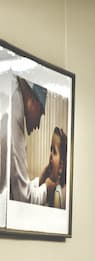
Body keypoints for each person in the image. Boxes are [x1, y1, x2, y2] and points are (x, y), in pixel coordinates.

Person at [9, 76, 58, 206]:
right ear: (34, 101)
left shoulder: (13, 100)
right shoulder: (13, 117)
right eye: (41, 113)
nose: (38, 125)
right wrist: (48, 188)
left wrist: (40, 180)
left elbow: (15, 190)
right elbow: (23, 200)